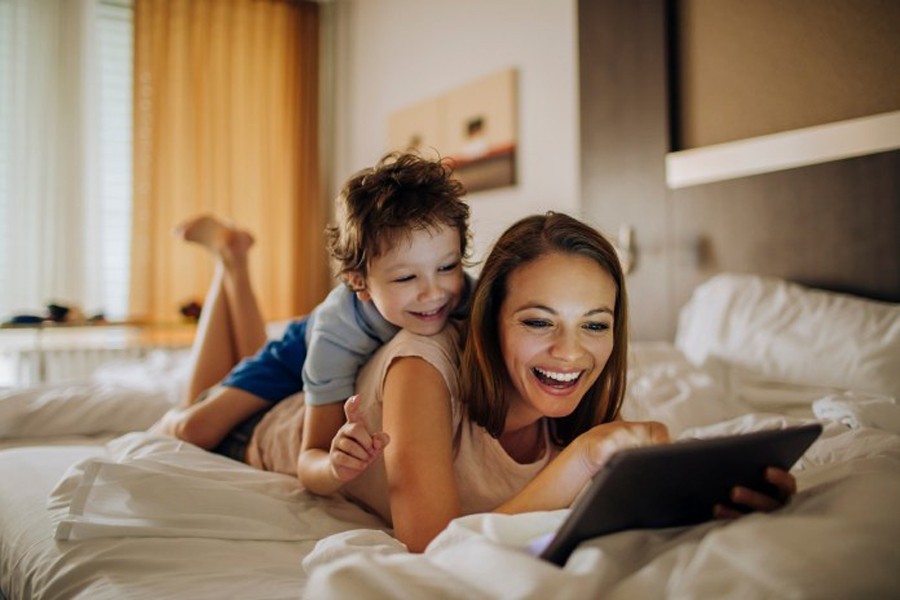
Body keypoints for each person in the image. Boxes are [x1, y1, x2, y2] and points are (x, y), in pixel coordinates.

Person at [251, 212, 797, 553]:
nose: (571, 353)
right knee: (213, 398)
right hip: (271, 427)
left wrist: (718, 498)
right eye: (538, 321)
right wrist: (581, 460)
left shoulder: (586, 393)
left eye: (594, 325)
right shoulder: (422, 367)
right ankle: (236, 268)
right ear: (488, 320)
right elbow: (430, 545)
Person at [151, 151, 474, 495]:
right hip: (294, 353)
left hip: (317, 348)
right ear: (358, 282)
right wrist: (334, 467)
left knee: (245, 364)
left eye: (447, 267)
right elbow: (311, 456)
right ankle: (229, 263)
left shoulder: (469, 297)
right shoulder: (337, 332)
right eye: (406, 277)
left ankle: (233, 257)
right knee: (195, 430)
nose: (434, 292)